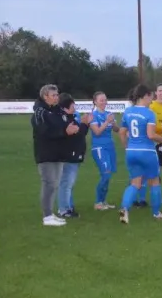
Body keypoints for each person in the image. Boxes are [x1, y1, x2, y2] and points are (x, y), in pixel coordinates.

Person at [118, 84, 162, 224]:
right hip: (147, 152)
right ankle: (156, 212)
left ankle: (124, 211)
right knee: (154, 181)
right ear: (145, 96)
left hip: (131, 152)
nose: (151, 100)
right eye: (150, 97)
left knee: (135, 182)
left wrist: (126, 147)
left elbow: (122, 132)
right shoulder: (149, 113)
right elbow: (151, 135)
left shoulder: (128, 112)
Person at [32, 84, 80, 227]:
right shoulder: (40, 112)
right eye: (53, 95)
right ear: (45, 96)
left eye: (57, 94)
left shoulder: (58, 110)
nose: (56, 97)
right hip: (45, 153)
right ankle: (47, 216)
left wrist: (72, 128)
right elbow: (44, 132)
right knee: (49, 184)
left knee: (55, 184)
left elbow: (64, 125)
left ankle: (51, 214)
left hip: (59, 153)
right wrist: (65, 132)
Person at [58, 93, 92, 218]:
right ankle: (64, 210)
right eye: (73, 105)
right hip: (69, 156)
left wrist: (85, 124)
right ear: (67, 106)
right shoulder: (65, 119)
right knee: (66, 183)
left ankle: (67, 207)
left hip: (73, 155)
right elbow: (76, 135)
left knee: (68, 184)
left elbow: (81, 133)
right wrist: (84, 123)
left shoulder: (69, 117)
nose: (75, 107)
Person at [89, 91, 119, 210]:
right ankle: (98, 202)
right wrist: (107, 122)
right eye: (101, 100)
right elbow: (96, 132)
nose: (104, 102)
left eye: (105, 100)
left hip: (110, 147)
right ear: (95, 102)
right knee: (105, 174)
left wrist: (113, 122)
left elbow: (116, 129)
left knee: (108, 174)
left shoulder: (109, 114)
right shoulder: (93, 116)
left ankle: (102, 201)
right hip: (99, 148)